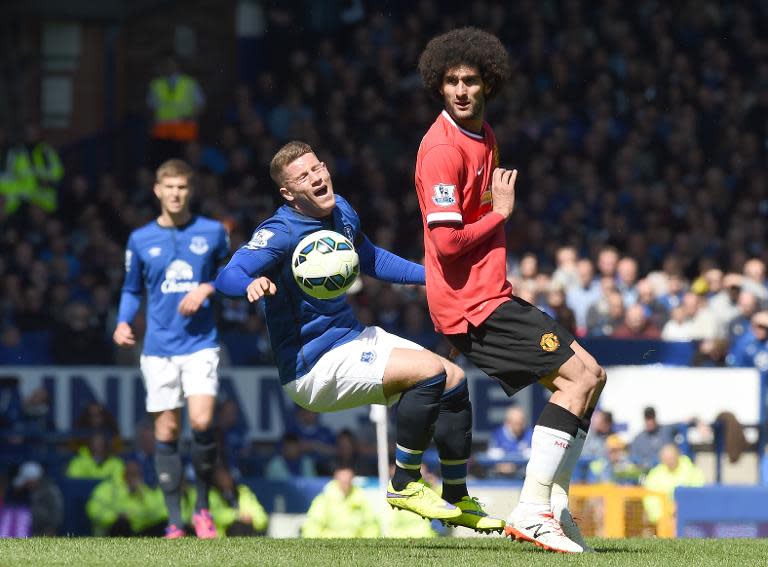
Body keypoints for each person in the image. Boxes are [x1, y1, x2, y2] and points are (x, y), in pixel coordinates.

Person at [215, 140, 503, 532]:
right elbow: (227, 275)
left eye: (318, 168)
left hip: (353, 337)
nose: (317, 177)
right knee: (428, 372)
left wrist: (435, 280)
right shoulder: (280, 231)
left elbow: (371, 259)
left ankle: (456, 494)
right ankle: (405, 483)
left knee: (454, 379)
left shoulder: (342, 210)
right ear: (288, 193)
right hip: (313, 365)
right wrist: (252, 282)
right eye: (303, 176)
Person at [414, 27, 607, 553]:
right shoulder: (440, 151)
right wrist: (500, 216)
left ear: (488, 84)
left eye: (470, 81)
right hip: (472, 305)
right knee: (577, 378)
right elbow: (448, 242)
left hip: (489, 294)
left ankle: (555, 504)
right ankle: (532, 508)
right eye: (450, 81)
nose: (460, 90)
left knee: (592, 377)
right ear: (439, 86)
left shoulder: (484, 135)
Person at [113, 158, 230, 539]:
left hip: (200, 343)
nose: (176, 194)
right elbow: (132, 289)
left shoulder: (212, 232)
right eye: (170, 187)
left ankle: (202, 509)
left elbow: (230, 275)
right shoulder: (140, 239)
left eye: (182, 187)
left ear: (189, 190)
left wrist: (207, 287)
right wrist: (122, 321)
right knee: (166, 429)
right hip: (159, 348)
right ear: (157, 191)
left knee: (199, 421)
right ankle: (175, 522)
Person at [146, 56, 205, 167]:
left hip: (184, 131)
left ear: (178, 65)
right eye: (166, 64)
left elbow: (200, 105)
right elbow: (151, 109)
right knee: (165, 166)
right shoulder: (156, 84)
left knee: (184, 165)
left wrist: (191, 117)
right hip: (162, 133)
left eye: (172, 63)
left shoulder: (190, 83)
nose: (169, 67)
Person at [86, 460, 167, 536]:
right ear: (124, 475)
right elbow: (94, 511)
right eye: (131, 474)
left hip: (137, 530)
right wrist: (115, 517)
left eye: (138, 475)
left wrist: (143, 496)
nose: (134, 478)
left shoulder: (144, 491)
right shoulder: (108, 488)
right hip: (111, 529)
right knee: (122, 523)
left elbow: (157, 514)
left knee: (164, 525)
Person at [301, 464, 380, 538]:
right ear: (336, 478)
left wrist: (366, 544)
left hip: (356, 546)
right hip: (328, 546)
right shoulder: (323, 501)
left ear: (352, 478)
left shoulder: (362, 499)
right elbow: (312, 526)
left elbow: (371, 525)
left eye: (348, 479)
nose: (345, 482)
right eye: (343, 480)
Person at [642, 444, 705, 525]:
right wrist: (665, 516)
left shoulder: (693, 471)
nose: (669, 461)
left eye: (671, 458)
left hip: (689, 521)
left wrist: (681, 512)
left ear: (678, 455)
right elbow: (650, 500)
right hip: (662, 522)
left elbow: (698, 496)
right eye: (666, 459)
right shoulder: (654, 475)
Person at [208, 465, 268, 536]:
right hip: (221, 537)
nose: (223, 478)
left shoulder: (243, 491)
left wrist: (253, 520)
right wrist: (237, 516)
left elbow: (261, 516)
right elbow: (213, 515)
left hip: (247, 531)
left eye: (225, 475)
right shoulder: (211, 494)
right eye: (219, 476)